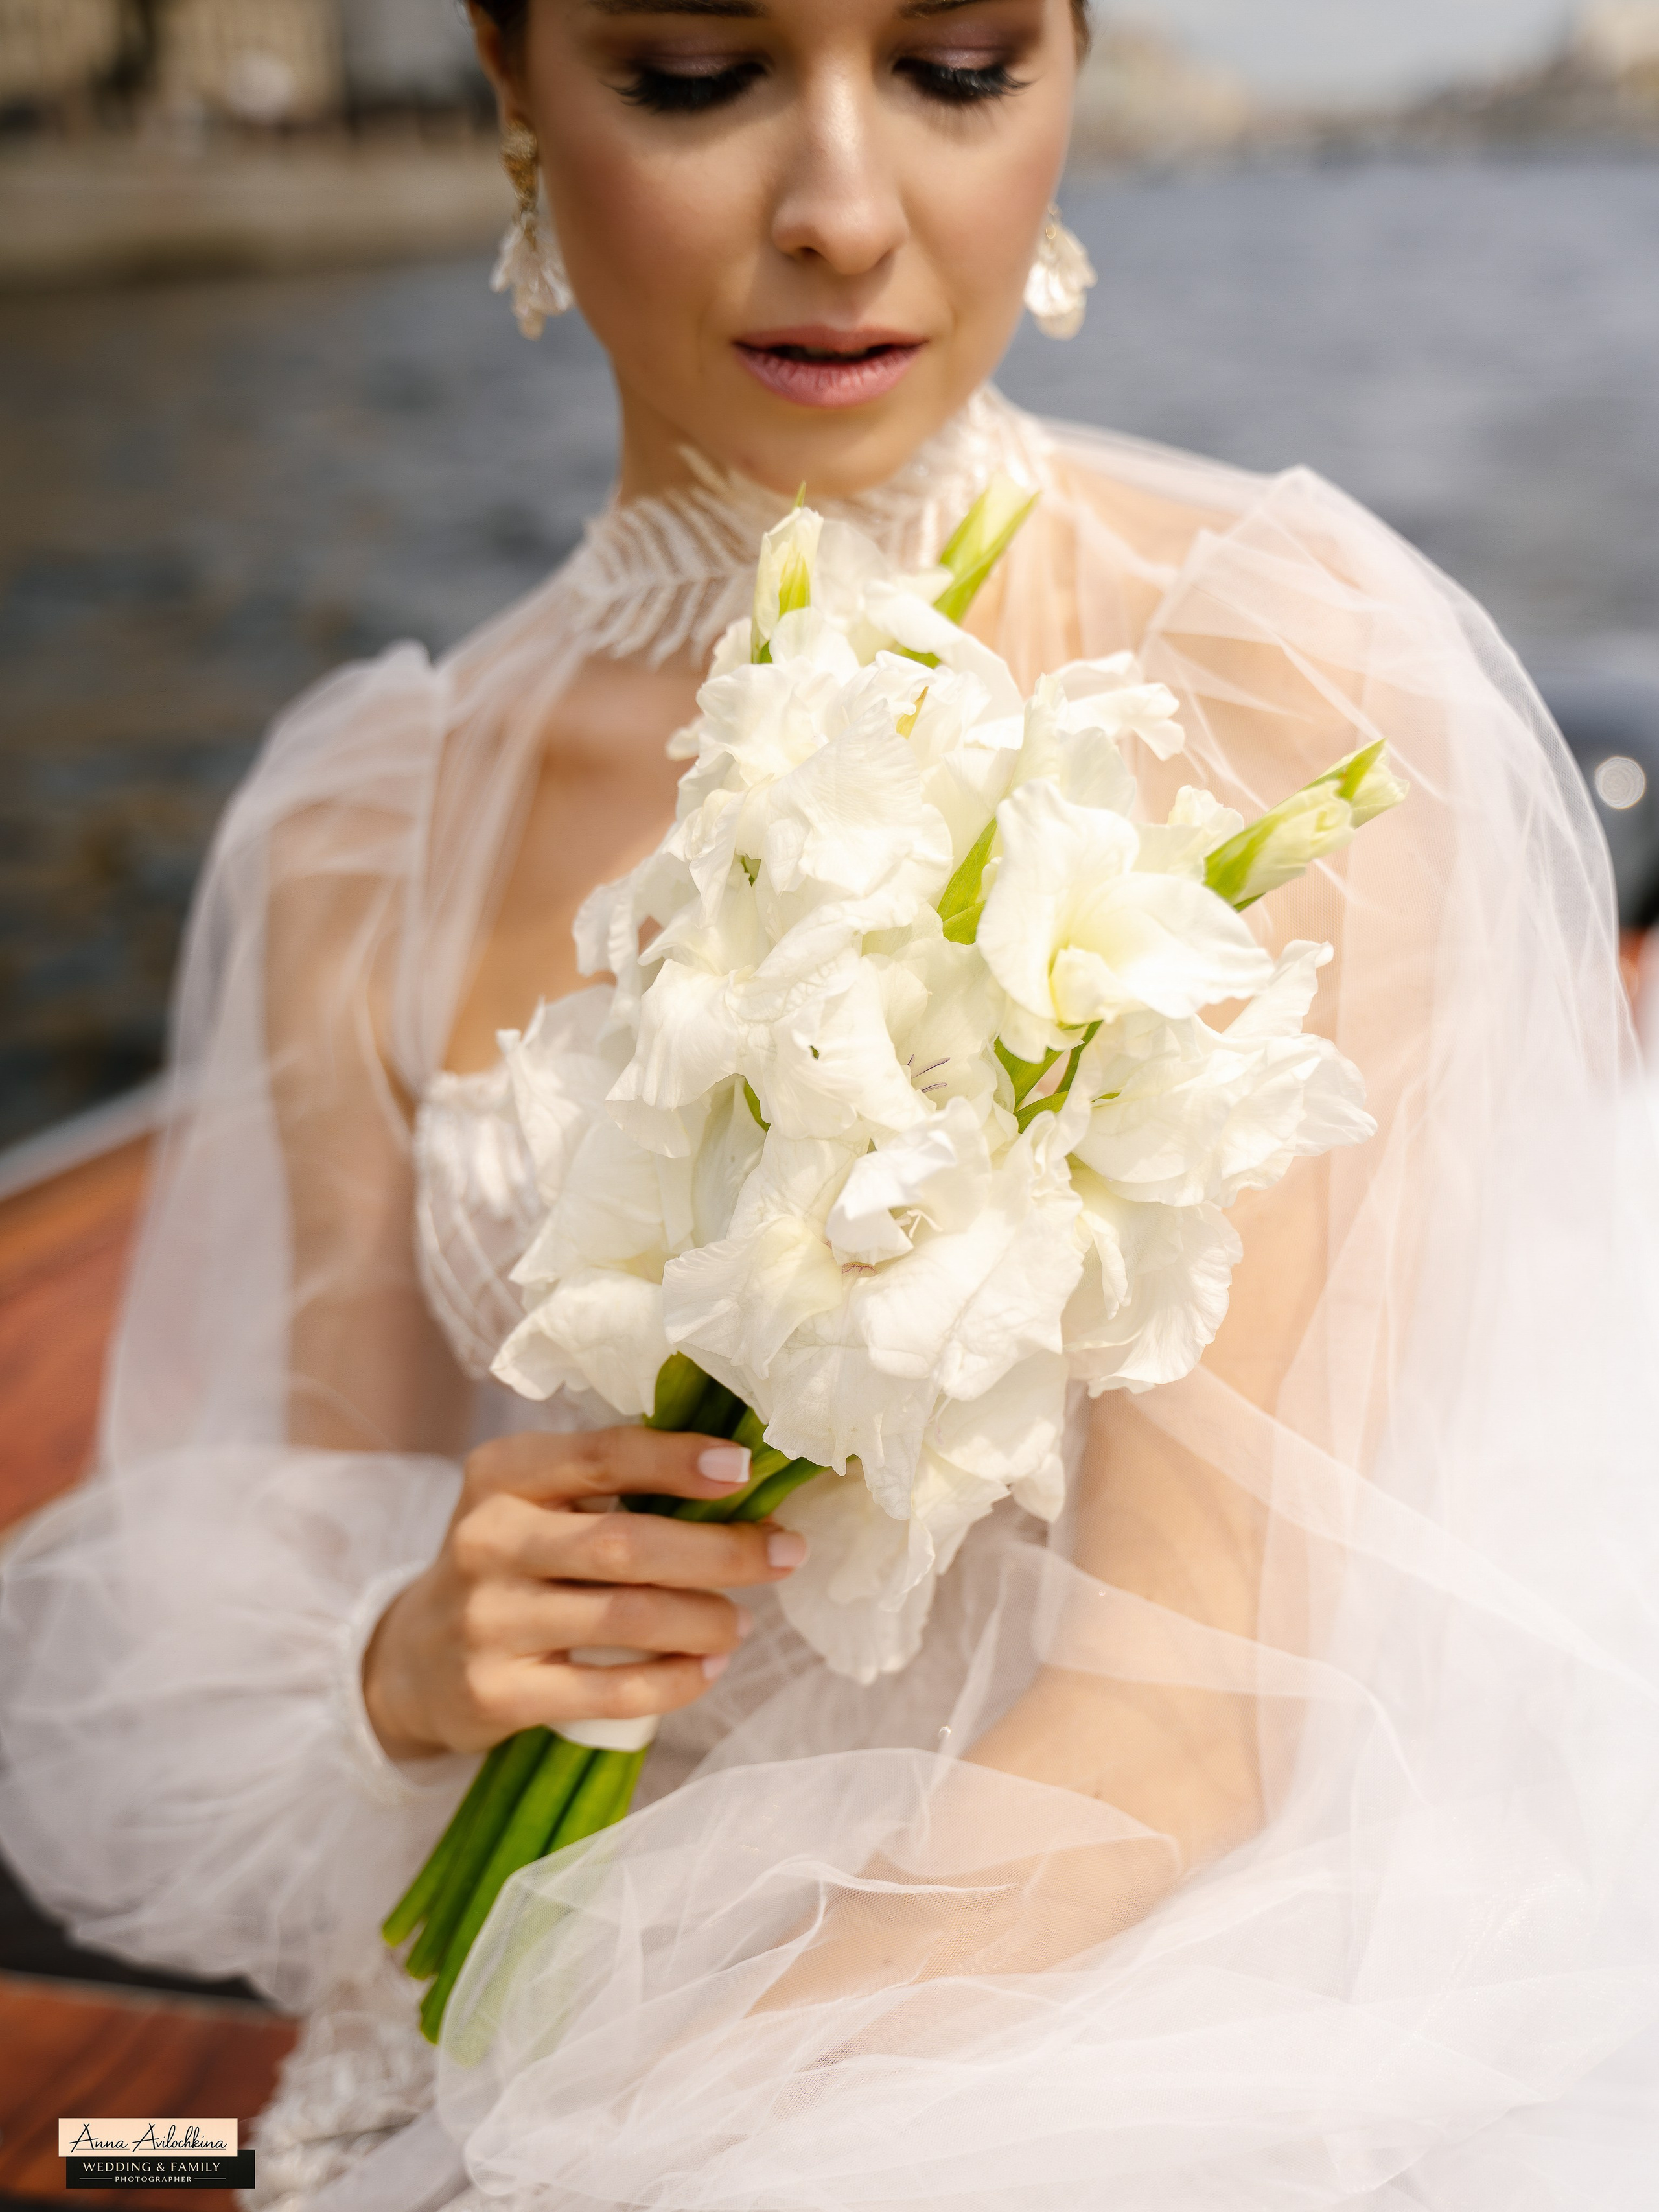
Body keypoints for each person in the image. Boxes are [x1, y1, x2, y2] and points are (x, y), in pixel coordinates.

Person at [5, 2, 1659, 2206]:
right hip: (496, 2004)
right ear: (507, 73)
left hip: (1097, 2011)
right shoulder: (356, 830)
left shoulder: (1269, 683)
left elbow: (1189, 1719)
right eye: (696, 77)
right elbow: (328, 1532)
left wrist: (592, 2140)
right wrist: (413, 1648)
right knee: (131, 2165)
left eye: (960, 72)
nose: (847, 214)